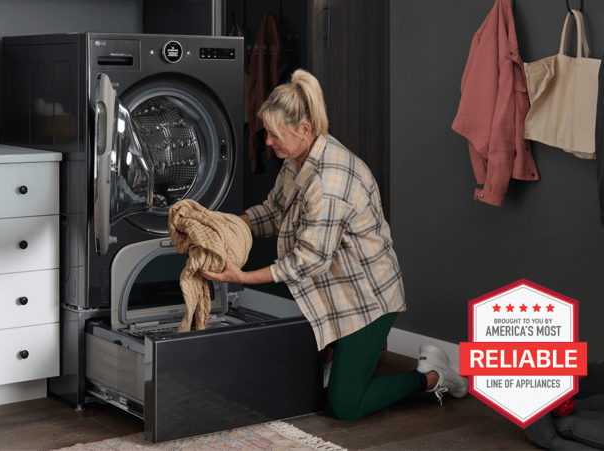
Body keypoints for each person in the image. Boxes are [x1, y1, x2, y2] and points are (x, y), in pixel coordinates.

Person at [200, 69, 468, 420]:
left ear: (304, 130)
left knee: (343, 405)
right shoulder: (298, 161)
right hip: (332, 293)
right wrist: (227, 225)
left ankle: (433, 375)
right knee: (295, 382)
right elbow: (274, 211)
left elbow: (307, 260)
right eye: (267, 132)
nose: (267, 141)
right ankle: (331, 360)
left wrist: (243, 277)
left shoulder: (329, 182)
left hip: (366, 300)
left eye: (274, 134)